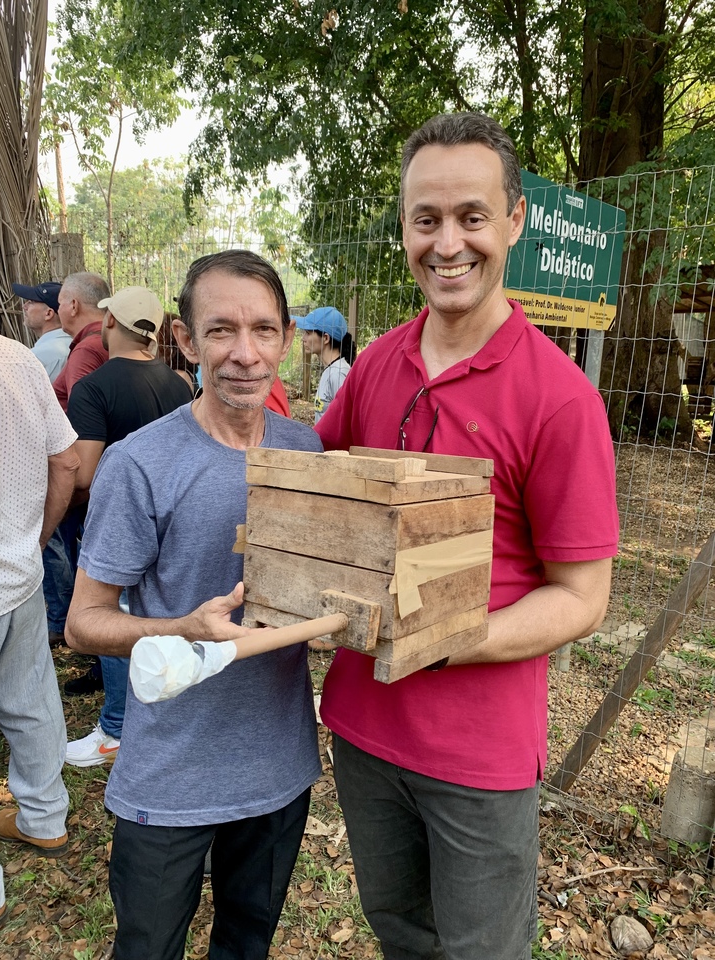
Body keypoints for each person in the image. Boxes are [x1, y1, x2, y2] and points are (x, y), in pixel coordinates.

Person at [315, 113, 620, 960]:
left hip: (477, 756)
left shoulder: (559, 398)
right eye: (426, 219)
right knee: (401, 932)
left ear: (513, 221)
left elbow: (583, 598)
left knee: (482, 950)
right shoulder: (377, 364)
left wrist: (452, 638)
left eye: (472, 217)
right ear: (405, 228)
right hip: (363, 725)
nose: (448, 243)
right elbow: (317, 481)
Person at [65, 250, 323, 960]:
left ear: (287, 337)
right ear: (184, 338)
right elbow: (84, 623)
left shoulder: (309, 453)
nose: (244, 354)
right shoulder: (140, 462)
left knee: (247, 946)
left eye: (264, 330)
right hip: (170, 775)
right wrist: (182, 629)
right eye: (221, 331)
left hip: (278, 765)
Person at [64, 286, 193, 767]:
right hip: (177, 525)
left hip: (121, 528)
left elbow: (85, 472)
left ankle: (116, 729)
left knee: (114, 621)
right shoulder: (179, 384)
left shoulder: (93, 388)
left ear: (110, 323)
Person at [0, 334, 79, 932]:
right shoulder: (17, 358)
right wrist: (37, 538)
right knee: (30, 699)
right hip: (16, 573)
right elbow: (66, 460)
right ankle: (45, 817)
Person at [43, 272, 110, 650]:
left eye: (59, 301)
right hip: (97, 468)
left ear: (72, 305)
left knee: (58, 539)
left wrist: (78, 479)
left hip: (82, 470)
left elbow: (87, 409)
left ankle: (64, 620)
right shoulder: (99, 344)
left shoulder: (86, 351)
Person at [53, 272, 111, 411]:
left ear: (74, 306)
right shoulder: (116, 340)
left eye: (60, 304)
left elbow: (82, 413)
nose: (58, 310)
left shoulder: (86, 351)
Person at [296, 306, 355, 421]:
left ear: (326, 338)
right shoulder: (330, 370)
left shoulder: (338, 373)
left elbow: (347, 421)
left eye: (308, 333)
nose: (303, 338)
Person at [11, 280, 71, 381]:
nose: (24, 306)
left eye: (31, 302)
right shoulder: (71, 343)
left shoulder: (41, 355)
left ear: (48, 314)